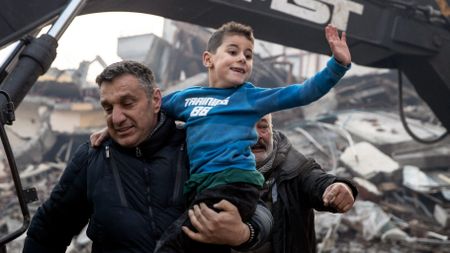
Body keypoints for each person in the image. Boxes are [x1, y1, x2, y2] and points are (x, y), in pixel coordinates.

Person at [22, 61, 272, 253]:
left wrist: (243, 233)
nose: (116, 118)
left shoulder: (195, 144)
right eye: (108, 108)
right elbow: (47, 231)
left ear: (155, 100)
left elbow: (259, 209)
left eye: (127, 103)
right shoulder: (93, 156)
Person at [155, 21, 351, 252]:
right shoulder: (186, 98)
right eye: (233, 51)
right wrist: (111, 129)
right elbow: (150, 112)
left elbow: (303, 92)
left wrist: (338, 65)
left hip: (233, 184)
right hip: (201, 187)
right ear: (208, 59)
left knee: (170, 246)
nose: (242, 59)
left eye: (248, 55)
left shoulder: (250, 97)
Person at [221, 114, 356, 253]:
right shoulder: (210, 172)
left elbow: (317, 181)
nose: (256, 136)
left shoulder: (296, 168)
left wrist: (339, 187)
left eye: (263, 127)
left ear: (272, 130)